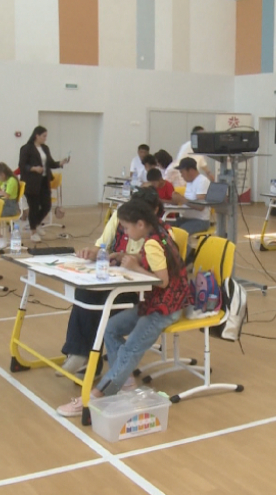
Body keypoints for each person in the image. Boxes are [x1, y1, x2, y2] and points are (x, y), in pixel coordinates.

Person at [56, 199, 190, 416]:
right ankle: (124, 381)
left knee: (130, 350)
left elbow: (163, 281)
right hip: (155, 301)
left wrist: (135, 267)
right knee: (111, 328)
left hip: (165, 307)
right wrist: (126, 257)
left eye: (127, 228)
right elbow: (156, 259)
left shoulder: (152, 243)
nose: (125, 233)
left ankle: (92, 398)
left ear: (140, 224)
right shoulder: (160, 231)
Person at [55, 188, 165, 383]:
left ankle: (86, 358)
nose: (127, 230)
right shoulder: (122, 216)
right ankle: (82, 355)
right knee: (86, 292)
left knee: (101, 304)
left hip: (139, 290)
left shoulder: (160, 234)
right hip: (117, 278)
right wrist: (95, 253)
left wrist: (132, 260)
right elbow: (102, 245)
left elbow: (158, 272)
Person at [19, 126, 69, 242]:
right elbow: (22, 165)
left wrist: (60, 163)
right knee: (34, 207)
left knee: (47, 205)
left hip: (44, 181)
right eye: (44, 136)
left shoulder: (45, 148)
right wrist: (34, 168)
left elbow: (50, 163)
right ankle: (33, 232)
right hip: (32, 182)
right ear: (37, 135)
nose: (45, 138)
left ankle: (36, 224)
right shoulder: (26, 148)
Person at [170, 157, 211, 236]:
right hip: (185, 218)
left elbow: (200, 206)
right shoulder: (189, 182)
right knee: (166, 228)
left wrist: (182, 199)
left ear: (191, 171)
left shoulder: (202, 181)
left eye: (182, 172)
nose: (181, 175)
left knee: (178, 234)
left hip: (200, 220)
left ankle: (182, 245)